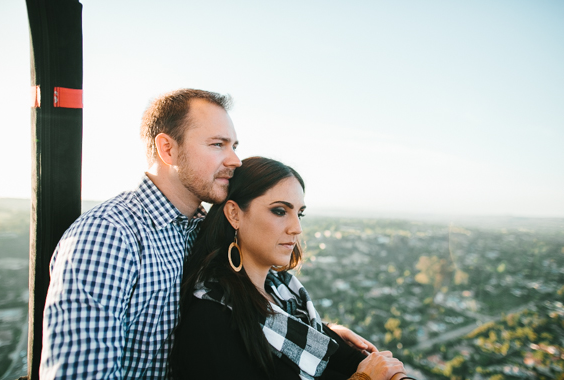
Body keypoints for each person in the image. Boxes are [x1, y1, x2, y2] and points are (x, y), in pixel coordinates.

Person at [40, 89, 376, 379]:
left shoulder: (203, 227)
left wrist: (320, 334)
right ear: (168, 150)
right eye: (218, 145)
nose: (234, 160)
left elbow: (248, 309)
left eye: (234, 145)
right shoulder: (110, 237)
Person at [171, 157, 414, 380]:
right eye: (279, 211)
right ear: (234, 214)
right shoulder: (211, 321)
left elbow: (353, 361)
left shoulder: (287, 295)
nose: (296, 227)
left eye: (300, 214)